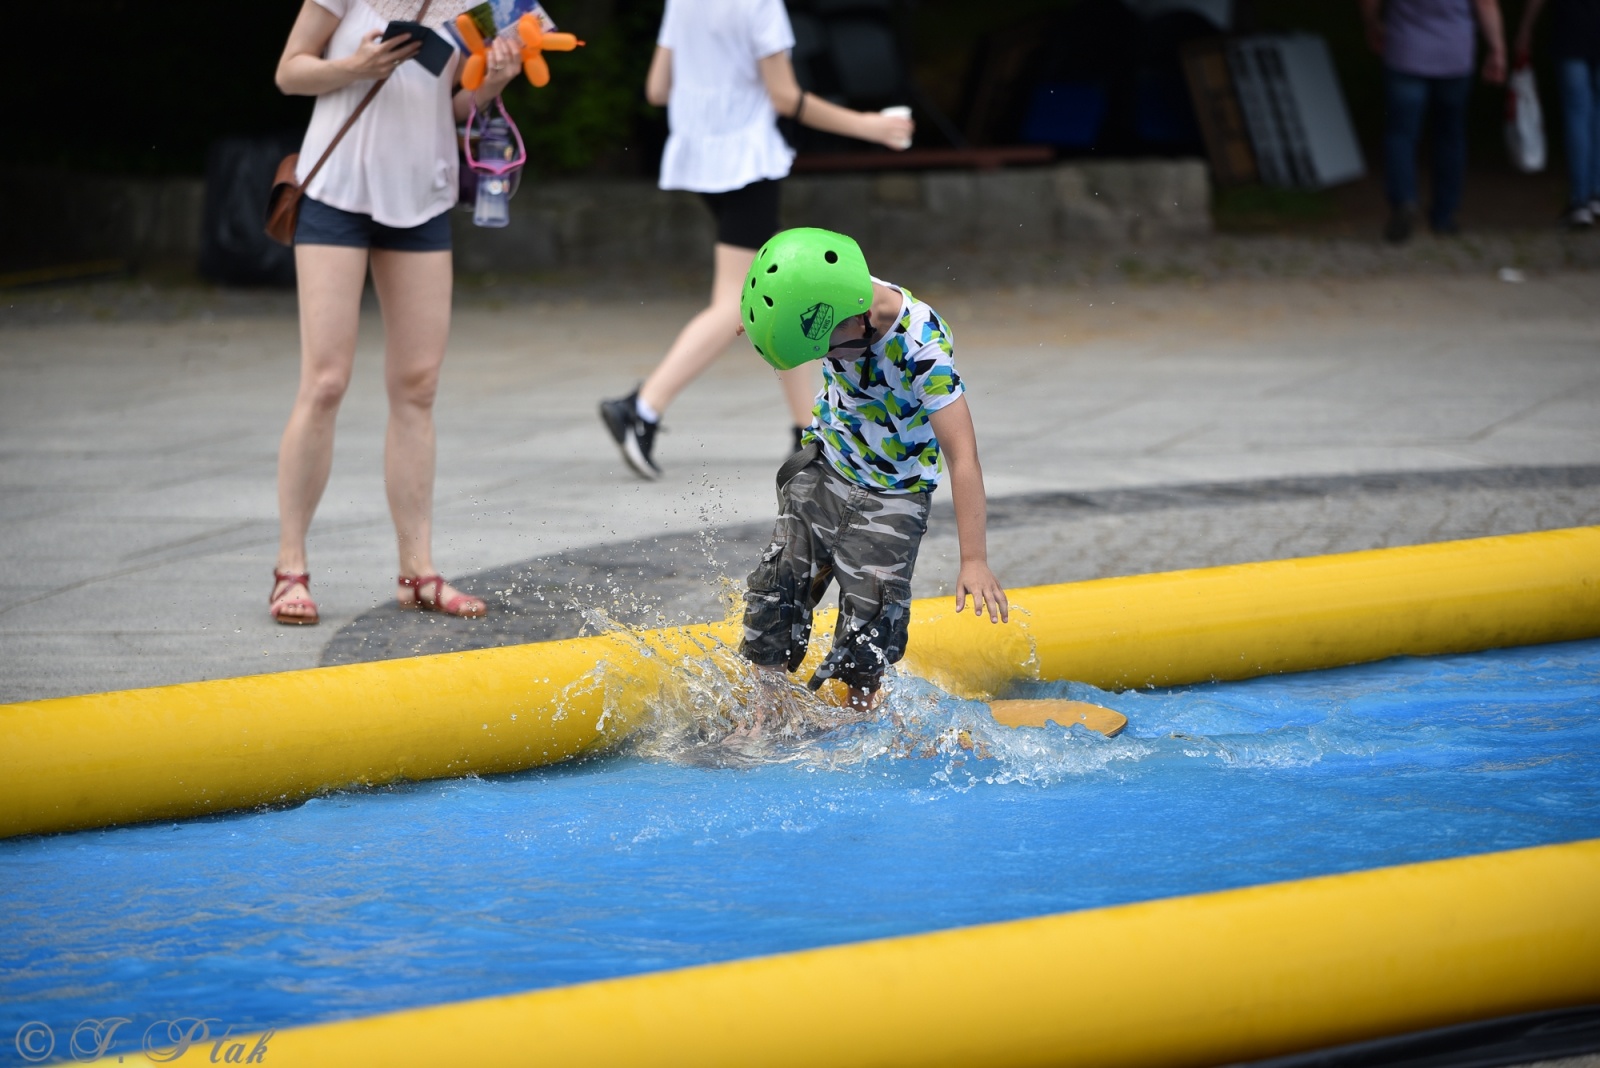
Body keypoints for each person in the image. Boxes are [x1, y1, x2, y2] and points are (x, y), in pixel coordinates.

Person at [269, 0, 524, 624]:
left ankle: (419, 570)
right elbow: (289, 72)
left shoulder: (477, 6)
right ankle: (290, 567)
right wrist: (356, 65)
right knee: (325, 382)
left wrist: (494, 79)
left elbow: (458, 107)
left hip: (421, 197)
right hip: (335, 194)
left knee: (418, 385)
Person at [599, 0, 916, 480]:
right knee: (740, 303)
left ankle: (805, 427)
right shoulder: (760, 4)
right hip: (747, 161)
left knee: (781, 293)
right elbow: (786, 97)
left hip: (701, 158)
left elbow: (657, 89)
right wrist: (871, 126)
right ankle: (641, 408)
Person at [734, 227, 1009, 714]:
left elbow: (963, 456)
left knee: (872, 620)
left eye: (827, 348)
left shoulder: (923, 351)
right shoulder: (831, 290)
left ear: (857, 316)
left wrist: (974, 560)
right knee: (777, 583)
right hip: (827, 465)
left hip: (895, 495)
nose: (824, 358)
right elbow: (794, 291)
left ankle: (858, 714)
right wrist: (770, 327)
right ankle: (766, 710)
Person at [1359, 0, 1507, 243]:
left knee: (1401, 134)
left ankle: (1404, 200)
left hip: (1406, 51)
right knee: (1450, 135)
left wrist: (1372, 24)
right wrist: (1497, 48)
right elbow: (1486, 4)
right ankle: (1444, 214)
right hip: (1455, 55)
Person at [1514, 0, 1600, 227]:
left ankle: (1580, 200)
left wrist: (1525, 28)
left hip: (1572, 31)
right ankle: (1595, 194)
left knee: (1577, 113)